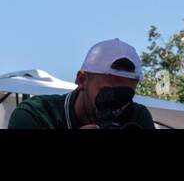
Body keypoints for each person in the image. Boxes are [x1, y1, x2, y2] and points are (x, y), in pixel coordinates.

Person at [8, 39, 156, 129]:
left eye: (125, 96)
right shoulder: (37, 115)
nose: (117, 104)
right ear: (81, 80)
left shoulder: (137, 117)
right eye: (107, 92)